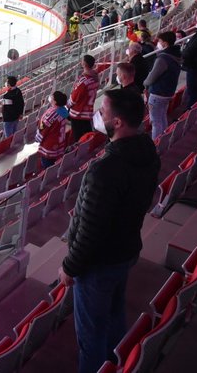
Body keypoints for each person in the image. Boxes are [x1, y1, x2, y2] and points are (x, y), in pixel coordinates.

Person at [60, 89, 160, 373]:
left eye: (103, 111)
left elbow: (92, 229)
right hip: (125, 250)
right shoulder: (147, 150)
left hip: (99, 263)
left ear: (117, 123)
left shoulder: (106, 169)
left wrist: (70, 266)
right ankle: (117, 363)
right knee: (114, 315)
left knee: (90, 335)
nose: (98, 115)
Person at [143, 31, 182, 139]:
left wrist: (144, 83)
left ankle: (156, 145)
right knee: (162, 117)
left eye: (159, 41)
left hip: (158, 93)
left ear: (165, 43)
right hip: (168, 92)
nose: (157, 44)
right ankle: (164, 138)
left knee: (156, 123)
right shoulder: (176, 54)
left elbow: (151, 78)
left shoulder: (163, 59)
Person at [68, 55, 99, 141]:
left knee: (78, 138)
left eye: (82, 60)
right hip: (88, 112)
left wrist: (67, 105)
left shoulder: (84, 81)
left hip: (78, 114)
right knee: (87, 134)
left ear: (84, 64)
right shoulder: (96, 78)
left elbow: (74, 98)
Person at [36, 91, 70, 168]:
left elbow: (43, 127)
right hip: (59, 141)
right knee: (55, 164)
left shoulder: (52, 114)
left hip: (49, 144)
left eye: (52, 96)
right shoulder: (63, 110)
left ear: (55, 101)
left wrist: (38, 136)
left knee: (48, 166)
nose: (50, 97)